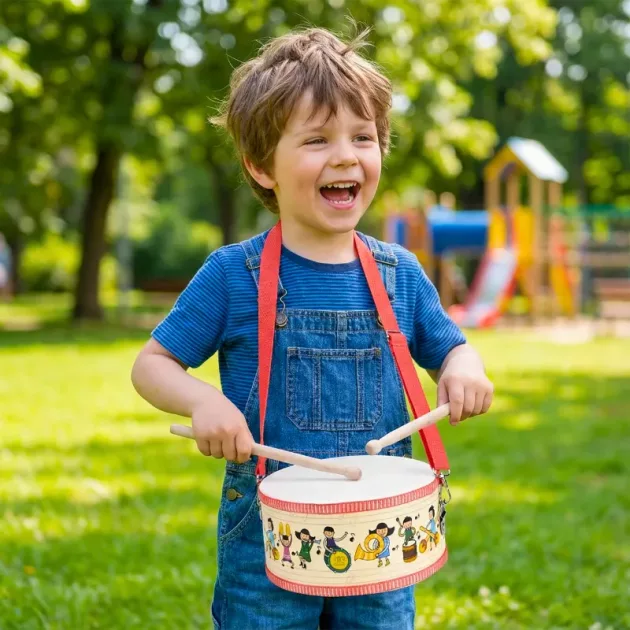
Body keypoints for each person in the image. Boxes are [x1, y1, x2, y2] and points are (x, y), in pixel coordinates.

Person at [131, 25, 493, 630]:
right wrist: (202, 402)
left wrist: (465, 369)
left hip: (380, 531)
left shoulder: (401, 274)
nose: (346, 155)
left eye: (363, 136)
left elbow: (452, 350)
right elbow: (152, 365)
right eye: (317, 139)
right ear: (261, 166)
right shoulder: (233, 275)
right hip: (270, 537)